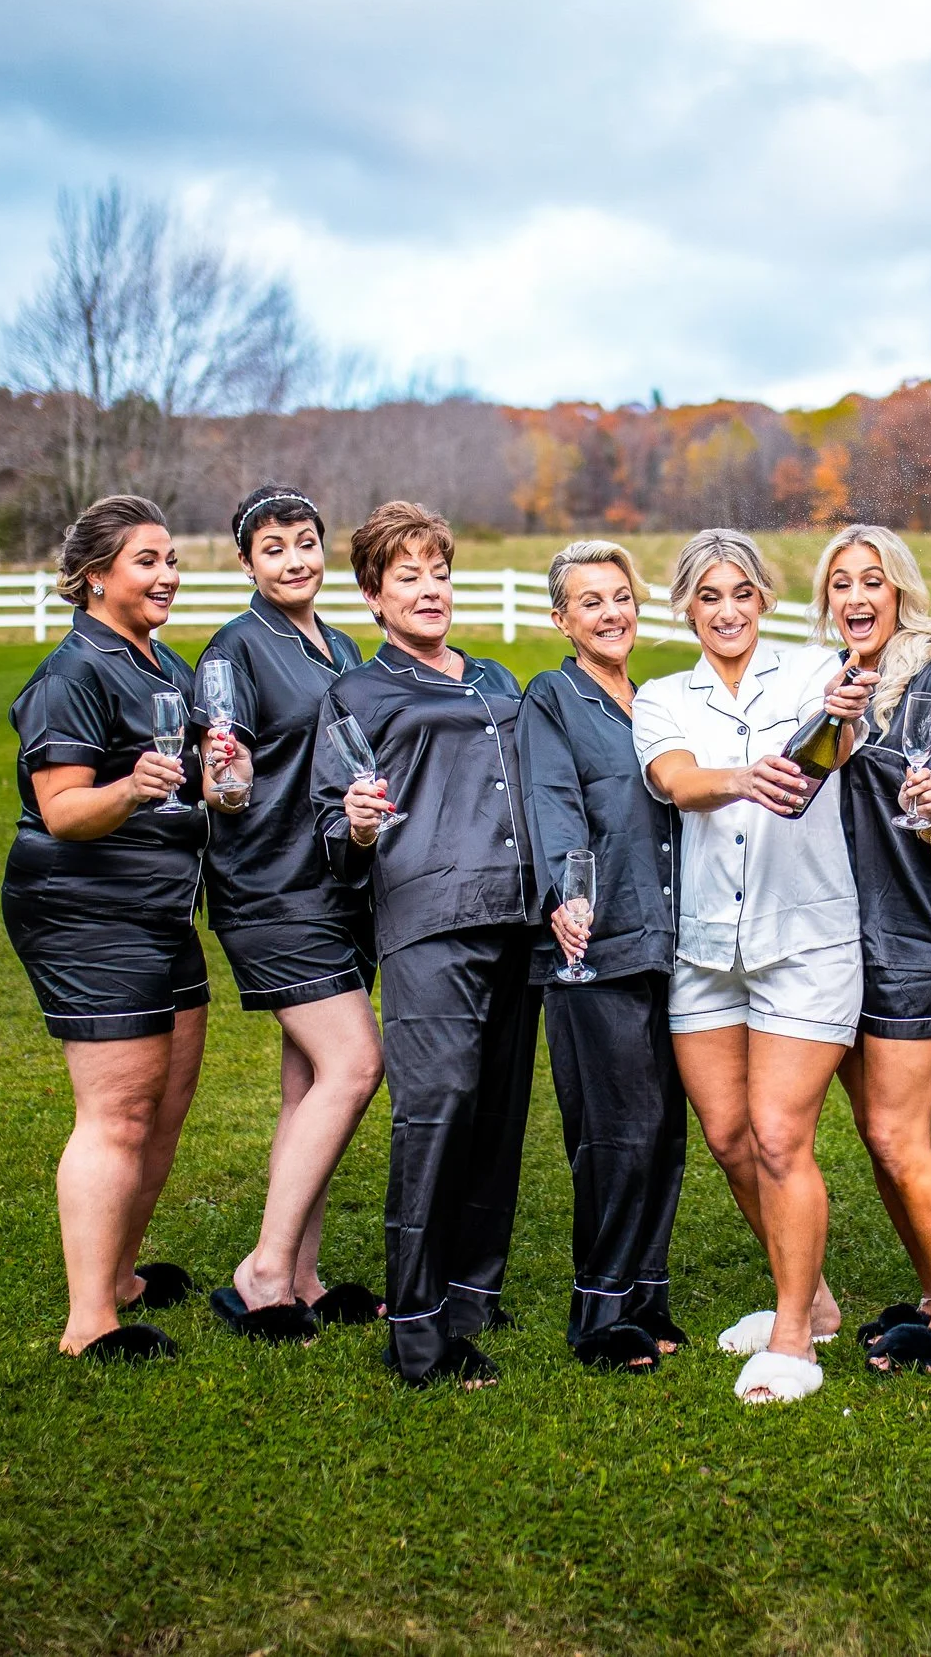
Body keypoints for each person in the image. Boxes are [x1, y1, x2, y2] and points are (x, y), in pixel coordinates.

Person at [632, 528, 874, 1406]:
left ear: (763, 597)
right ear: (688, 609)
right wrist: (742, 776)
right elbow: (676, 780)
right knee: (731, 1139)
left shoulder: (814, 675)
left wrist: (842, 711)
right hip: (704, 949)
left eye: (741, 592)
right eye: (708, 597)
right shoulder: (661, 695)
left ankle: (790, 1338)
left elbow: (837, 744)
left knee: (780, 1136)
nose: (727, 610)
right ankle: (816, 1300)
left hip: (805, 941)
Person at [314, 501, 544, 1389]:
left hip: (519, 918)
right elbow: (332, 831)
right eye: (406, 575)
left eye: (438, 571)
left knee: (497, 1112)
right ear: (373, 597)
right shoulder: (358, 694)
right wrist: (358, 823)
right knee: (436, 1107)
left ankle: (471, 1292)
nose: (429, 588)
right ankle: (414, 1324)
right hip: (428, 922)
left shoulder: (495, 679)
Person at [1, 494, 233, 1363]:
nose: (167, 574)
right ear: (96, 576)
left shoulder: (158, 661)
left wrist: (220, 772)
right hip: (86, 909)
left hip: (160, 906)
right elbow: (63, 810)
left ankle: (123, 1274)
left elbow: (191, 776)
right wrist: (133, 788)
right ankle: (89, 1321)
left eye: (171, 559)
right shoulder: (75, 673)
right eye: (147, 560)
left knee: (164, 1104)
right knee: (118, 1112)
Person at [198, 486, 386, 1344]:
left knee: (308, 1082)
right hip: (273, 888)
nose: (294, 560)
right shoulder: (233, 650)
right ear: (247, 563)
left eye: (305, 542)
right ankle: (263, 1271)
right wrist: (221, 773)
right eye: (272, 548)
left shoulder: (340, 644)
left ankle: (302, 1273)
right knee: (354, 1063)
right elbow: (226, 781)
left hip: (337, 881)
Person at [808, 525, 931, 1381]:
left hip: (918, 937)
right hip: (843, 939)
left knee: (896, 1130)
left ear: (900, 592)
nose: (855, 597)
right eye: (841, 583)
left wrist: (928, 808)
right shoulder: (835, 685)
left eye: (871, 581)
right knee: (874, 1132)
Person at [519, 541, 687, 1373]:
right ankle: (601, 1310)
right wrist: (567, 895)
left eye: (620, 596)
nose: (611, 612)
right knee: (615, 1131)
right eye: (590, 601)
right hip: (595, 942)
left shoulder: (656, 701)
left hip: (670, 942)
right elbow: (551, 801)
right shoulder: (553, 697)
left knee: (664, 1132)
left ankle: (647, 1295)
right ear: (562, 620)